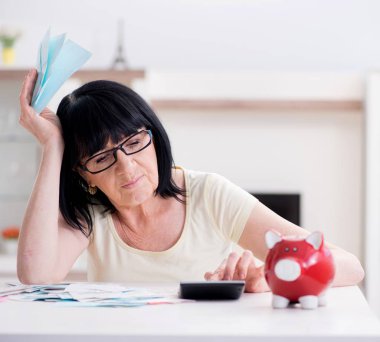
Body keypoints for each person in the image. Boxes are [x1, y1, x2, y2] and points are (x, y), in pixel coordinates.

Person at [17, 69, 365, 292]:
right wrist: (53, 147)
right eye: (102, 158)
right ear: (83, 173)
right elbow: (36, 274)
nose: (127, 167)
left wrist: (270, 273)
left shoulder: (209, 193)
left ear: (155, 136)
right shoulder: (92, 213)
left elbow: (351, 267)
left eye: (135, 142)